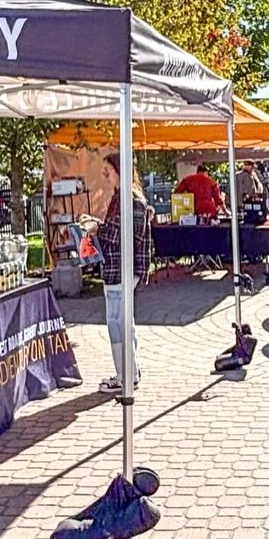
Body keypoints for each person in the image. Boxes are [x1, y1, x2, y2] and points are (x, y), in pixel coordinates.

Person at [96, 156, 153, 396]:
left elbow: (125, 237)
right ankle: (129, 373)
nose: (105, 176)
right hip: (116, 269)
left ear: (121, 171)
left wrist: (96, 229)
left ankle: (125, 376)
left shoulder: (132, 201)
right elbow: (118, 232)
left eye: (108, 171)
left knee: (119, 323)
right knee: (120, 322)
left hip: (122, 270)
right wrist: (98, 226)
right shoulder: (123, 200)